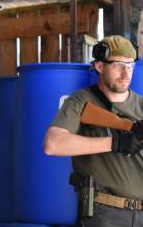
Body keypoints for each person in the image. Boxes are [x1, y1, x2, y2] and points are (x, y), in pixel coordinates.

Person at [44, 35, 143, 227]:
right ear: (99, 66)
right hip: (106, 215)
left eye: (130, 65)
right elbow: (52, 144)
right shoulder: (81, 101)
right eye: (118, 65)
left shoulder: (141, 104)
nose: (126, 73)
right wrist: (115, 143)